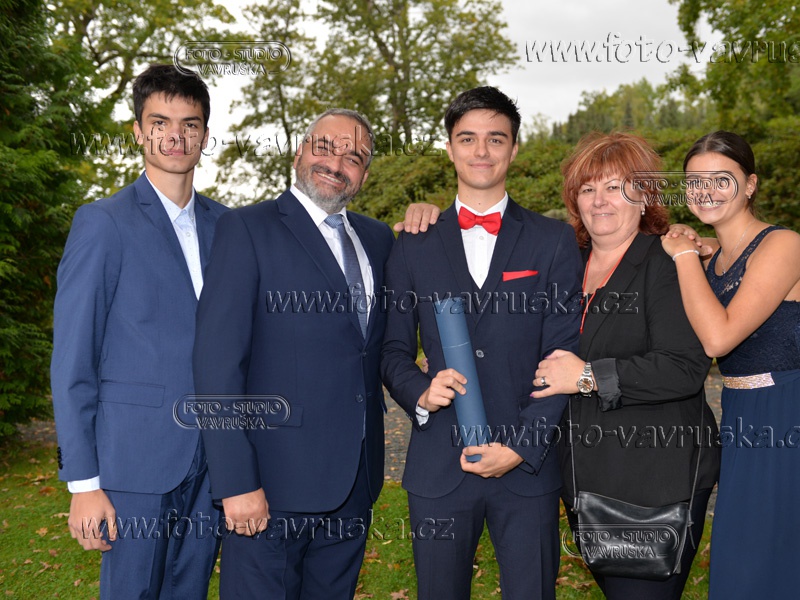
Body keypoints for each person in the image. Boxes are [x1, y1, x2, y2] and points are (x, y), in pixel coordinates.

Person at [192, 108, 438, 599]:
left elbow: (380, 343)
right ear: (300, 151)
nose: (336, 164)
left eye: (355, 157)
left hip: (354, 485)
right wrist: (236, 482)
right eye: (325, 147)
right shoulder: (247, 229)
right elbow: (216, 364)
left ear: (364, 174)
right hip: (270, 488)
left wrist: (432, 215)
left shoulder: (377, 239)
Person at [380, 86, 582, 599]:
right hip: (439, 467)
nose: (481, 151)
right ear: (449, 148)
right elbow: (392, 351)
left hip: (527, 468)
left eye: (496, 138)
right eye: (467, 138)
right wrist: (420, 392)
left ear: (514, 149)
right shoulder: (413, 242)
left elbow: (563, 355)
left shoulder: (552, 241)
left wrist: (521, 448)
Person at [662, 130, 800, 599]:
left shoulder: (783, 246)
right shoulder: (713, 256)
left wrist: (682, 254)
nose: (705, 191)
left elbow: (718, 337)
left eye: (721, 179)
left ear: (750, 184)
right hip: (742, 412)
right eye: (694, 181)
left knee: (797, 545)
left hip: (794, 409)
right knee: (748, 547)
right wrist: (690, 246)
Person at [50, 65, 227, 599]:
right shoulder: (103, 223)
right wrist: (84, 483)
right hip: (133, 465)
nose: (175, 136)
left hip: (213, 465)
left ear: (204, 135)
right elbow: (73, 361)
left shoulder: (229, 227)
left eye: (189, 124)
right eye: (160, 122)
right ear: (138, 131)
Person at [532, 132, 720, 599]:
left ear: (645, 196)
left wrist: (585, 377)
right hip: (582, 475)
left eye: (615, 187)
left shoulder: (667, 262)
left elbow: (684, 366)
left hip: (654, 476)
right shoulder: (565, 264)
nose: (599, 200)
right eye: (588, 188)